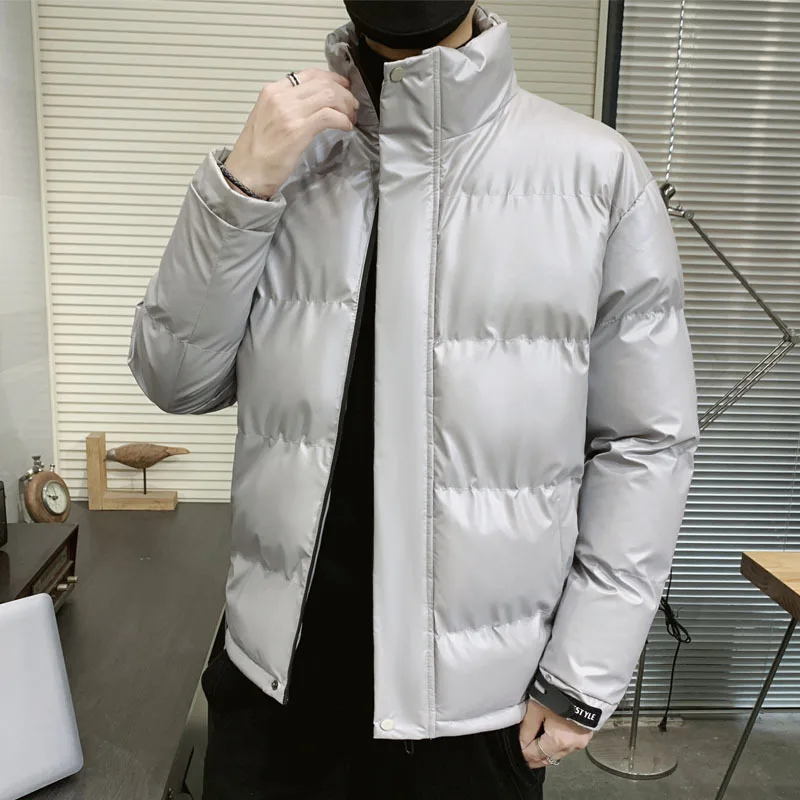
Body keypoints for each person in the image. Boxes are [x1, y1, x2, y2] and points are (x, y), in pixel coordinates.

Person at [128, 2, 699, 798]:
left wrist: (585, 668)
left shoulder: (596, 176)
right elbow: (175, 381)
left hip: (474, 717)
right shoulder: (287, 163)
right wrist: (239, 188)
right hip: (276, 691)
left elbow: (645, 443)